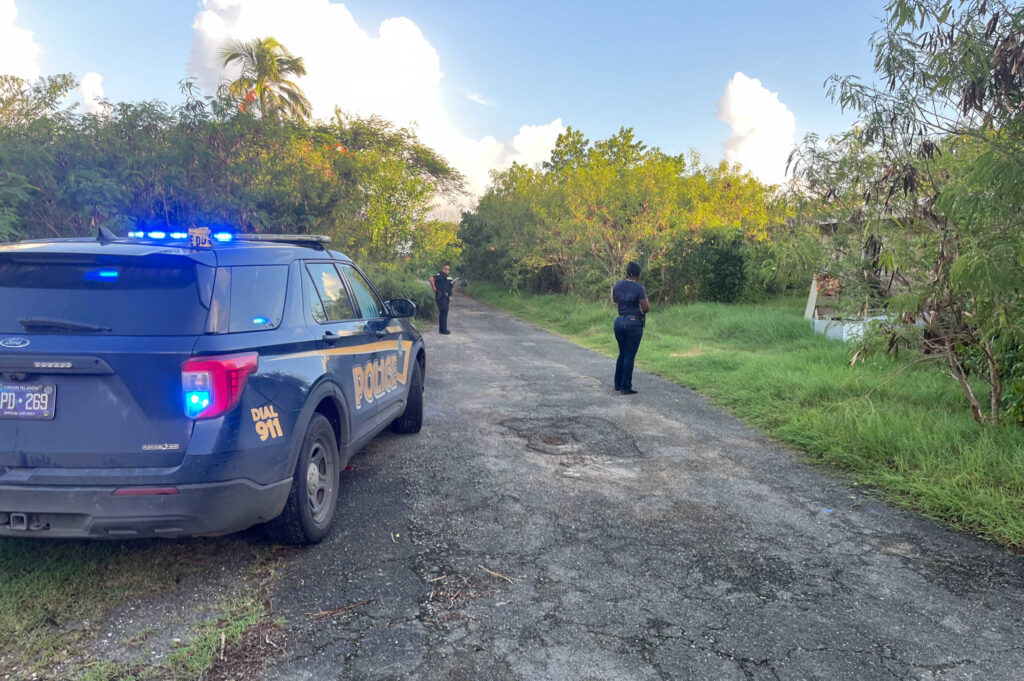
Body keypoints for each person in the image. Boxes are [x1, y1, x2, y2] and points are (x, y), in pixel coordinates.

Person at [611, 261, 650, 395]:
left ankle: (617, 384)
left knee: (622, 353)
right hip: (633, 323)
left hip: (619, 322)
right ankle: (625, 386)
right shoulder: (639, 289)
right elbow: (646, 308)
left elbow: (615, 300)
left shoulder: (618, 285)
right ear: (638, 274)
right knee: (629, 355)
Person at [430, 262, 459, 335]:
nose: (447, 270)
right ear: (443, 269)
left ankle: (442, 329)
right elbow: (431, 279)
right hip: (441, 296)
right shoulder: (440, 275)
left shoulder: (448, 278)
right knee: (443, 312)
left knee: (444, 313)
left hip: (446, 297)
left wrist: (450, 296)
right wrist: (435, 290)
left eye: (448, 269)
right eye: (446, 269)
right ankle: (443, 330)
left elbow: (449, 288)